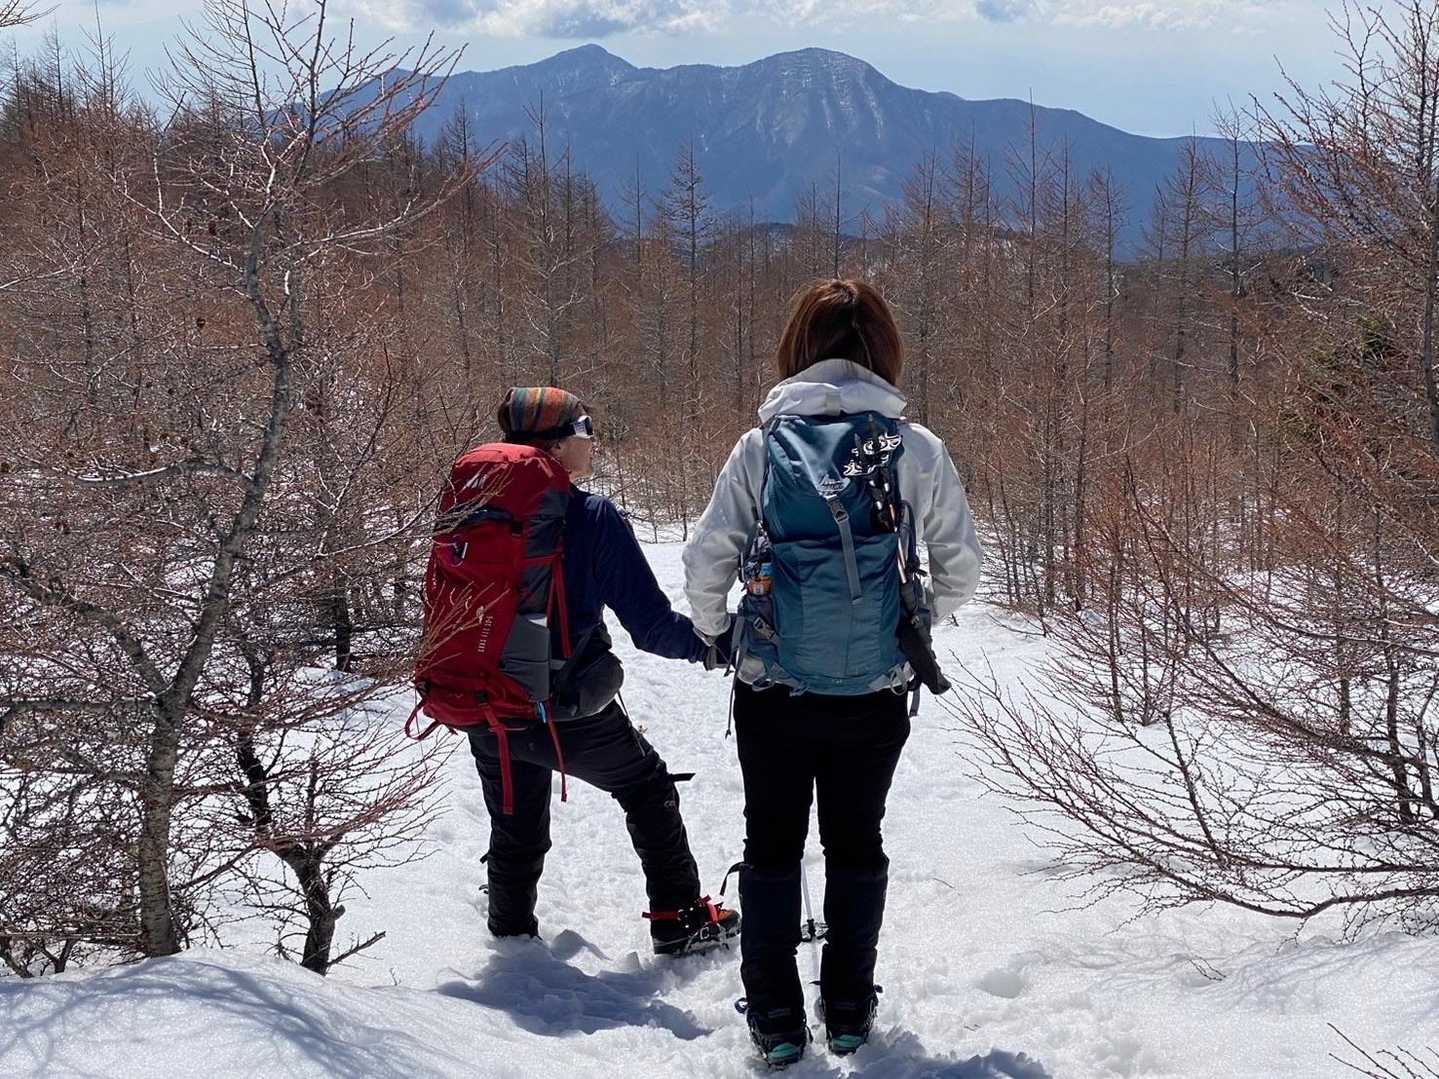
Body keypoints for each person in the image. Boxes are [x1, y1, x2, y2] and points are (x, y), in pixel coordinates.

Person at [682, 279, 983, 1065]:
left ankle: (775, 1019)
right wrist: (913, 620)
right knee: (856, 842)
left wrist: (719, 632)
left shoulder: (760, 448)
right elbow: (961, 565)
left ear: (797, 348)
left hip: (772, 686)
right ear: (884, 350)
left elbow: (706, 557)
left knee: (771, 844)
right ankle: (847, 1008)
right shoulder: (914, 447)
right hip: (873, 690)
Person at [468, 386, 738, 957]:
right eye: (585, 429)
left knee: (515, 820)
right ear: (557, 445)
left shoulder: (474, 510)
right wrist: (720, 644)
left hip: (481, 697)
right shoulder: (591, 517)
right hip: (563, 705)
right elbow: (651, 626)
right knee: (646, 785)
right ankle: (679, 920)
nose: (593, 441)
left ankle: (511, 937)